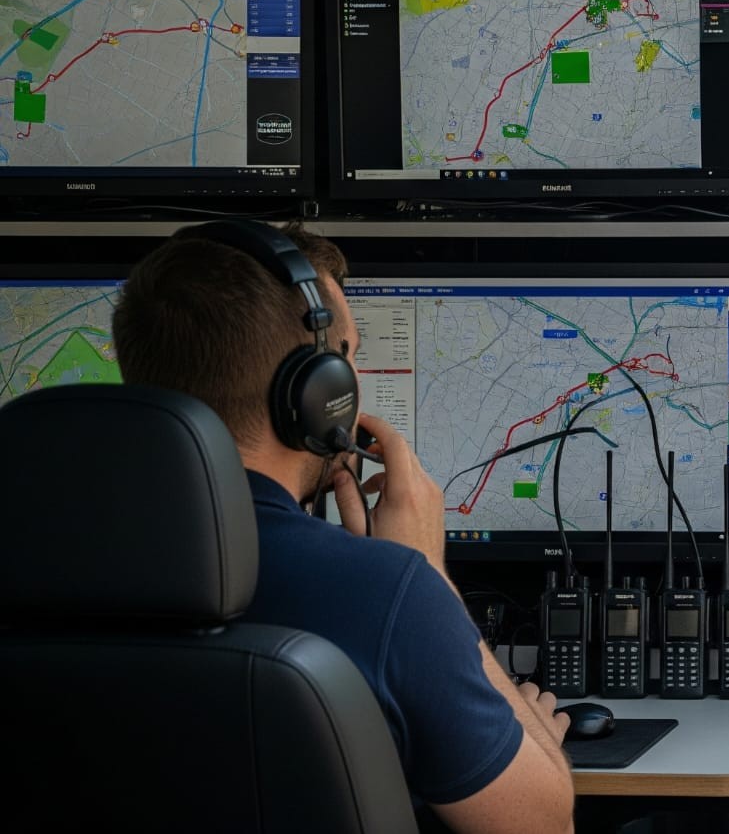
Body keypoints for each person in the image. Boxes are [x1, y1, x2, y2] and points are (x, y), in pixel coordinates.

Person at [110, 223, 577, 834]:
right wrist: (428, 573)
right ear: (316, 394)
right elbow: (543, 823)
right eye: (349, 357)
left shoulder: (35, 567)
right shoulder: (387, 592)